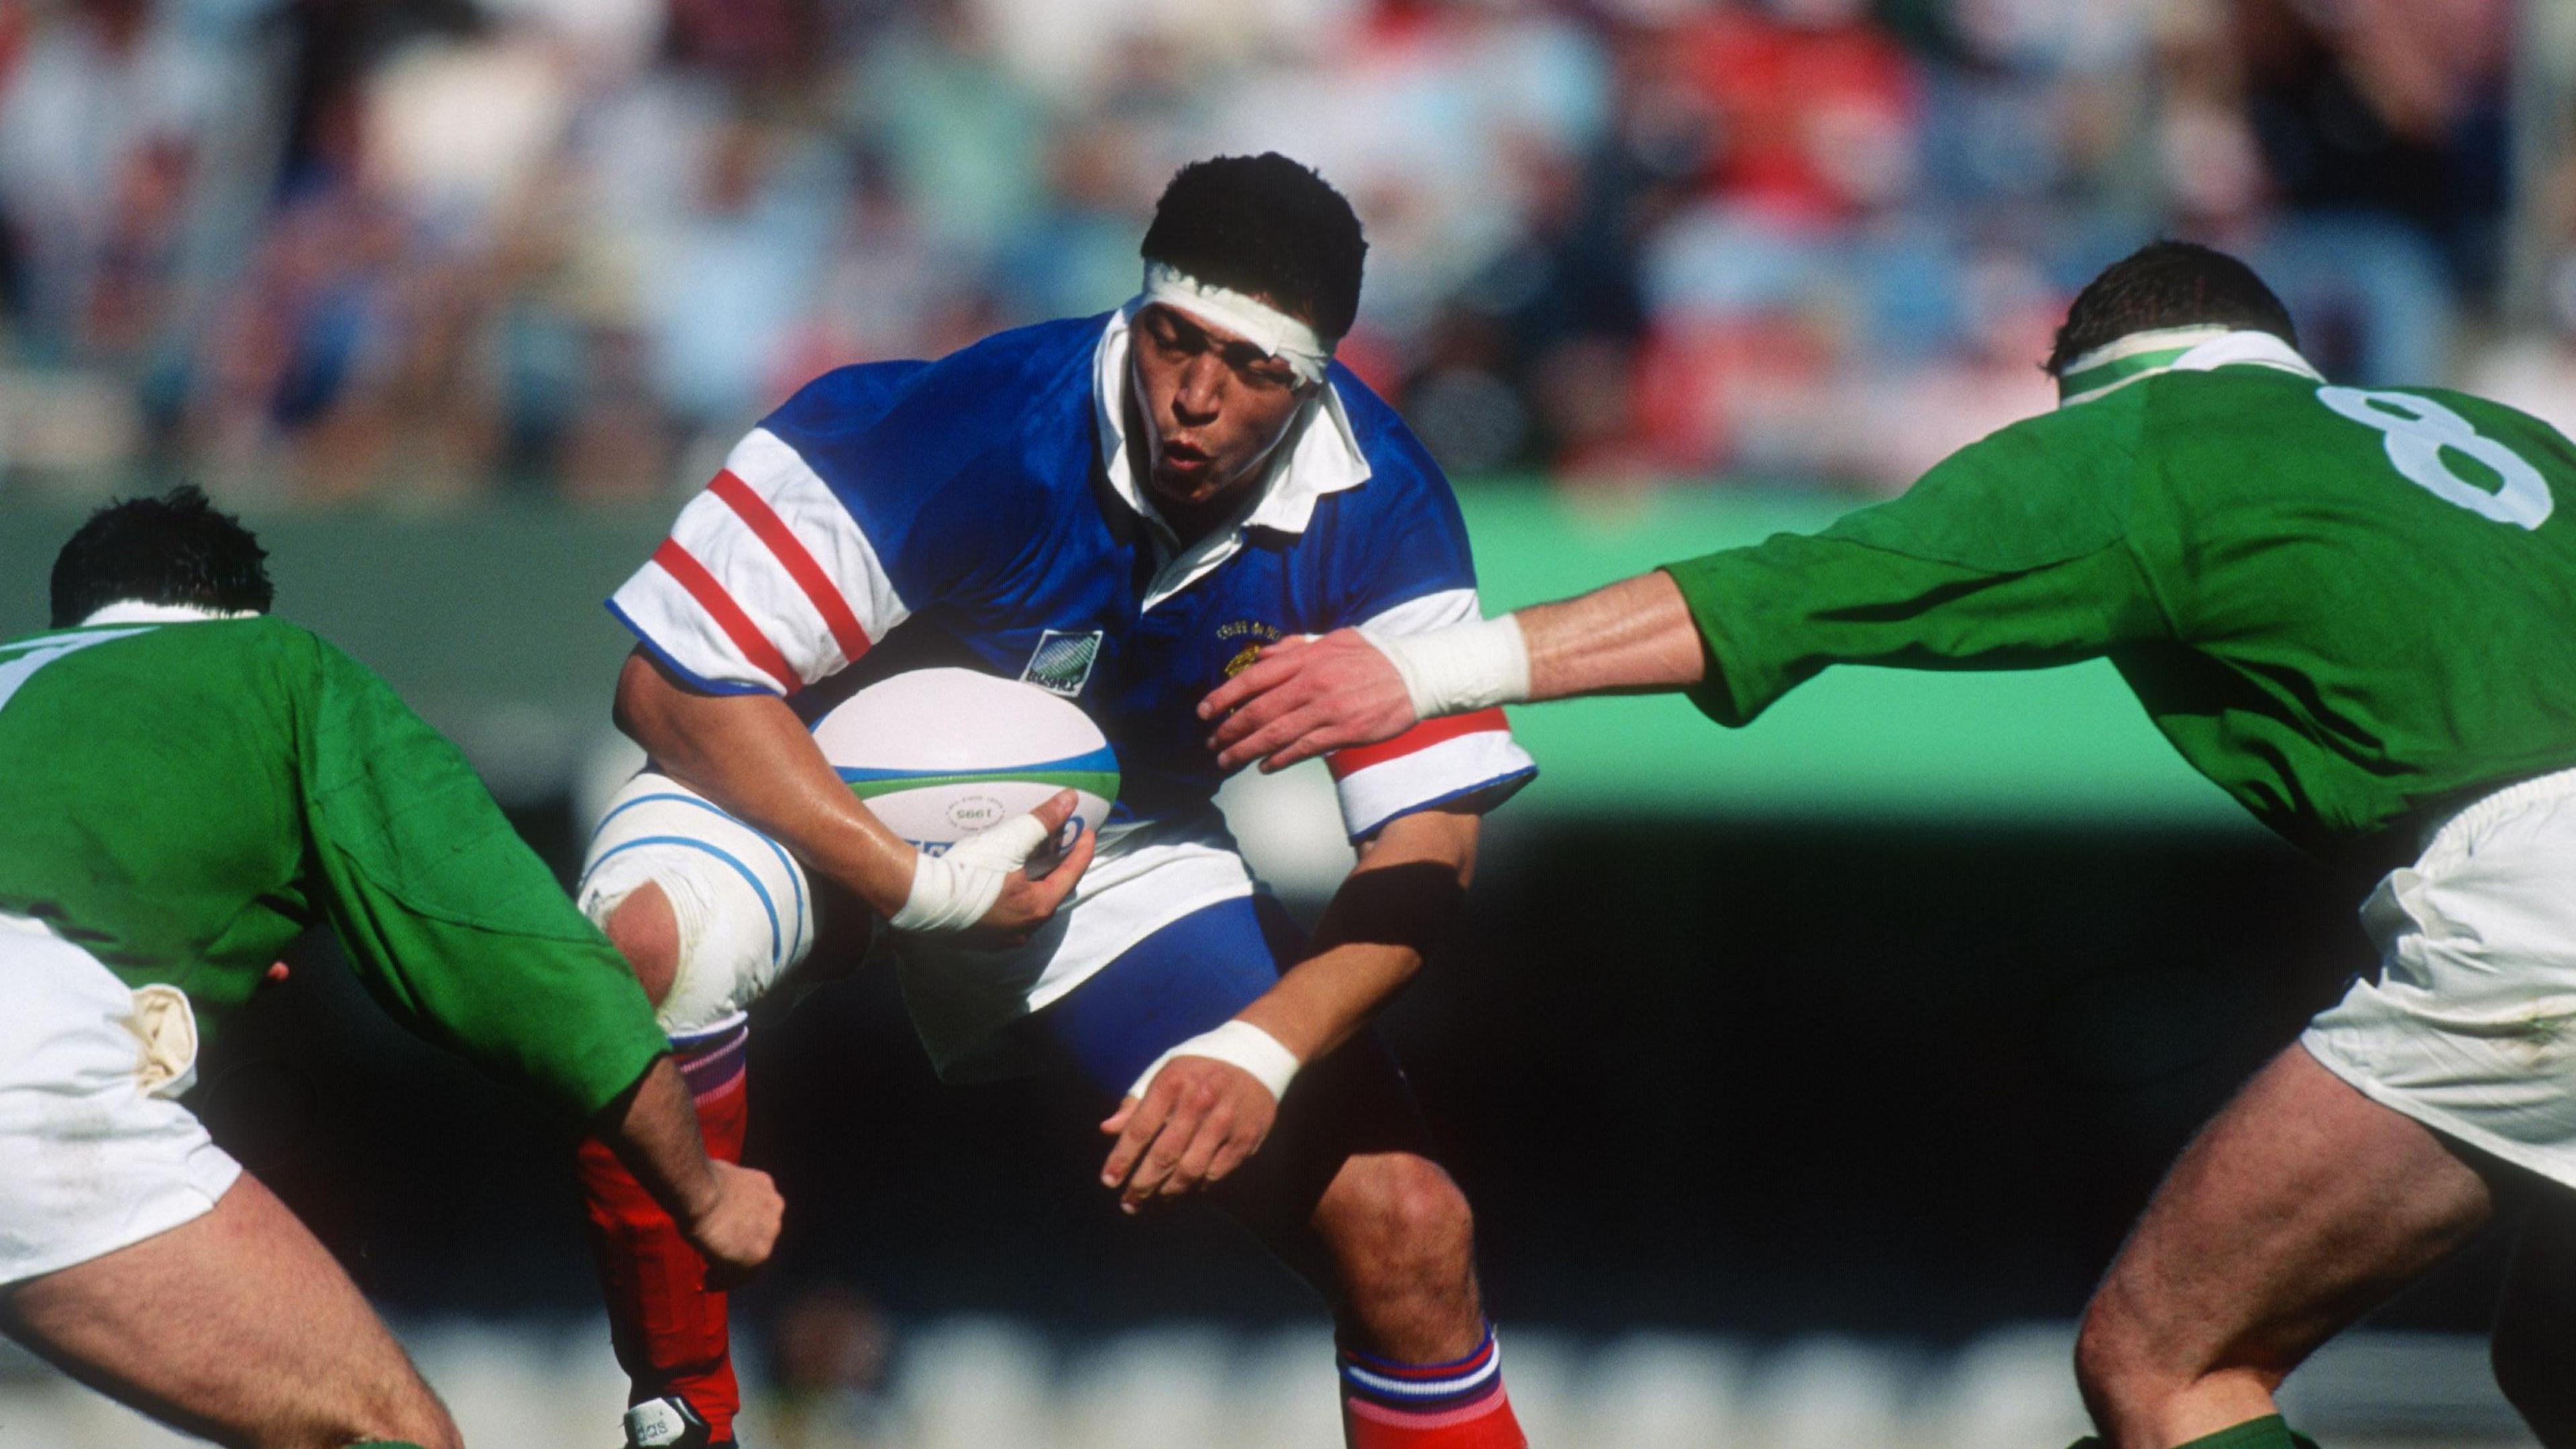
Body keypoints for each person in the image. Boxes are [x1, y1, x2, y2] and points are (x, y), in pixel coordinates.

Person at [1203, 239, 2576, 1449]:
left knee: (2167, 1364)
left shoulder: (2145, 440)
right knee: (2552, 1356)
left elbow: (1796, 592)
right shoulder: (2498, 436)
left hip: (2534, 898)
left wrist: (1429, 672)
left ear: (2095, 380)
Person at [576, 153, 1538, 1449]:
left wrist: (1260, 1048)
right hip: (815, 773)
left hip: (1111, 836)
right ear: (1136, 315)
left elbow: (1432, 847)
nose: (1196, 398)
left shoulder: (1385, 508)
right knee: (648, 942)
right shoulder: (985, 418)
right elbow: (672, 690)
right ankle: (682, 1409)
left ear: (1312, 384)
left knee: (1411, 1229)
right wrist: (920, 882)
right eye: (1175, 342)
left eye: (1252, 371)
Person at [0, 488, 784, 1449]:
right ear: (239, 610)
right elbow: (535, 969)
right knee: (388, 1430)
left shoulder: (22, 680)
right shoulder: (274, 668)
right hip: (28, 1080)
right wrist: (704, 1193)